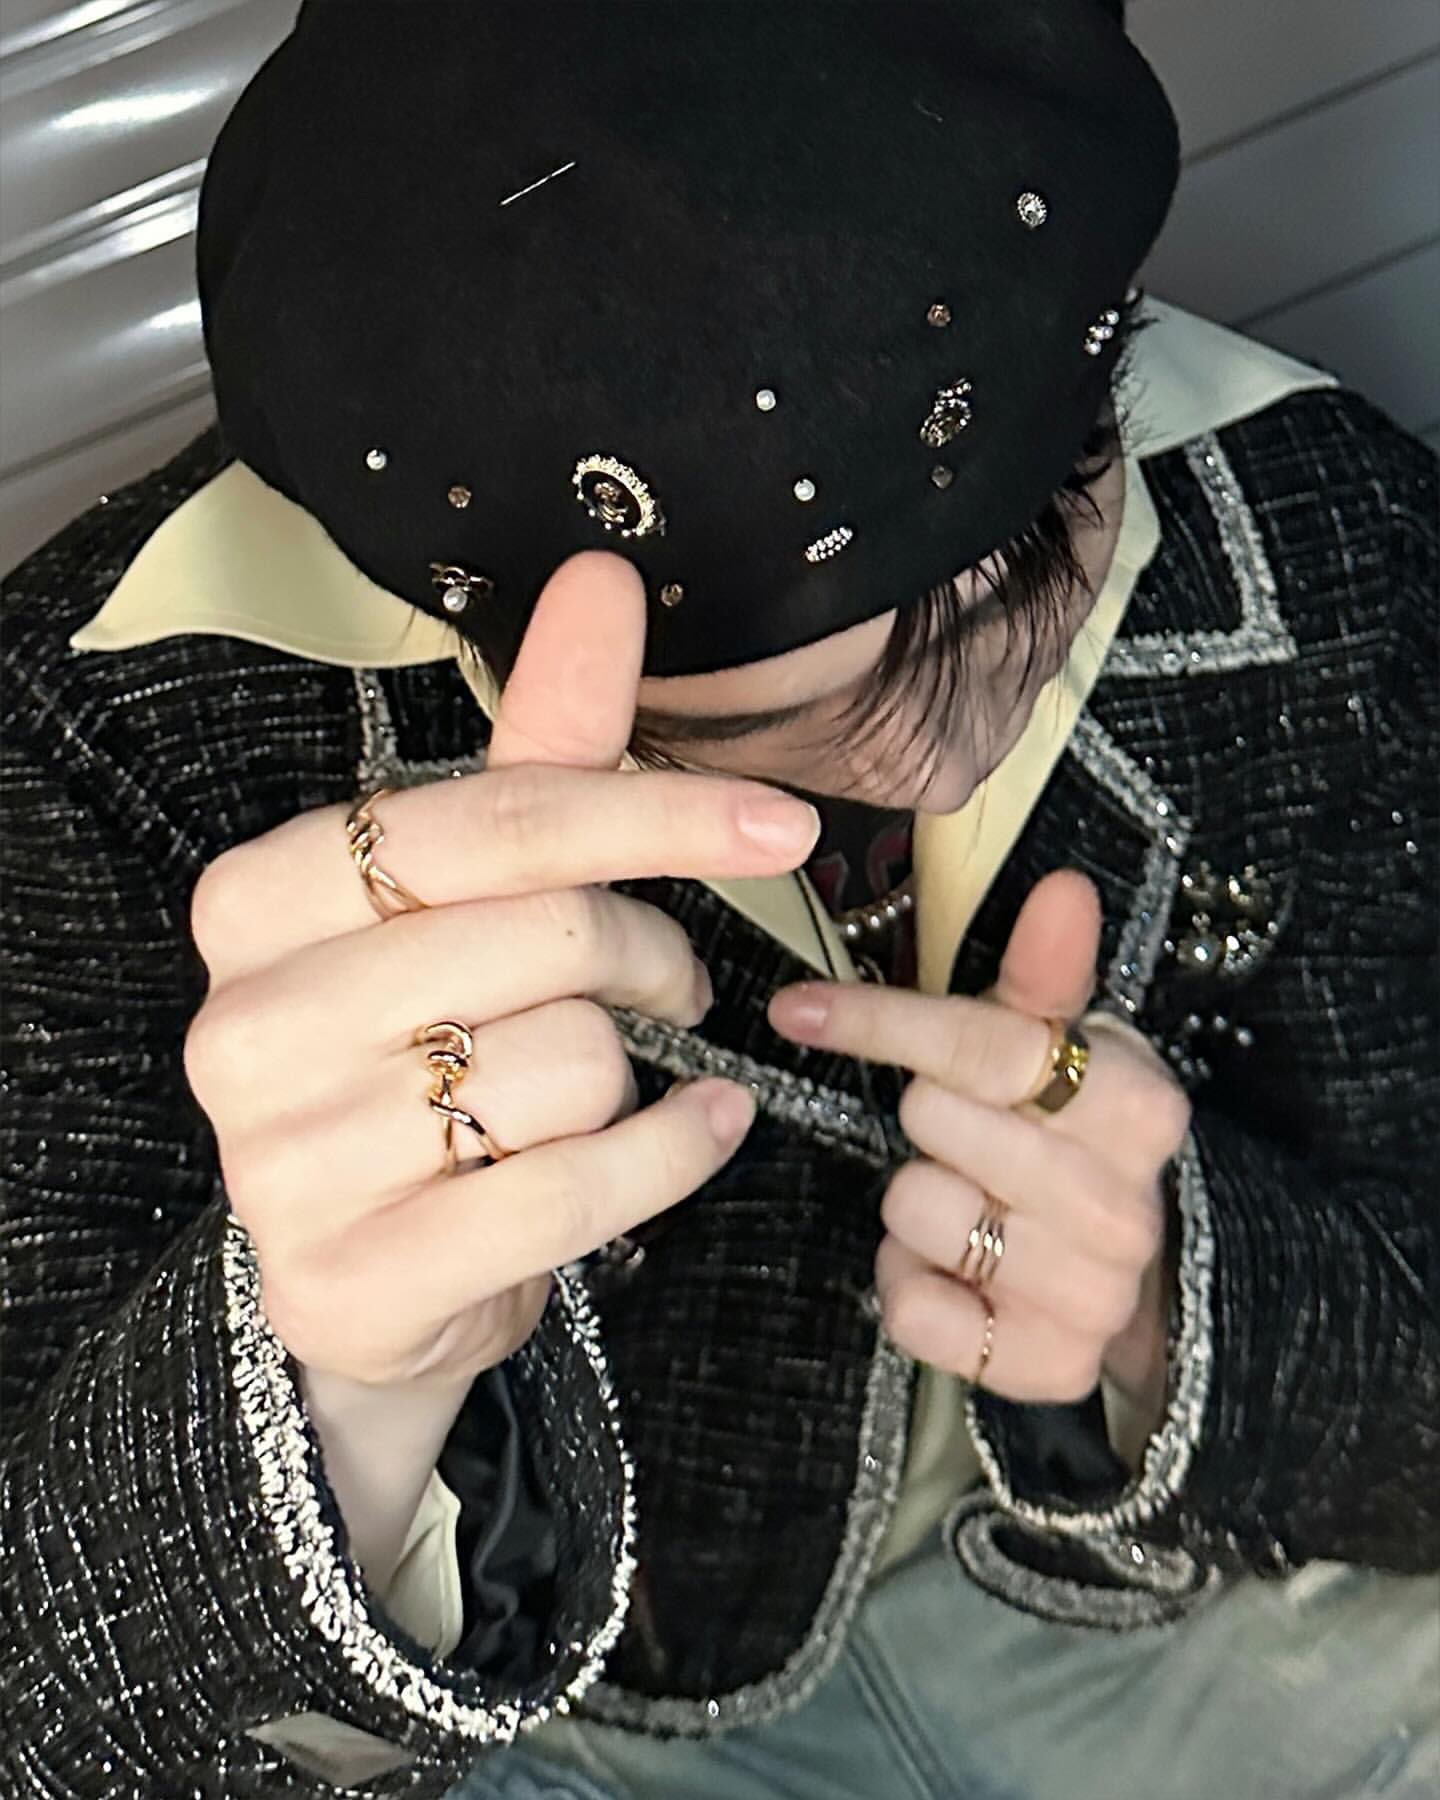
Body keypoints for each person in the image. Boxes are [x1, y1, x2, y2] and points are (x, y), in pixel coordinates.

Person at [2, 4, 1436, 1796]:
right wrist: (336, 1421)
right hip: (541, 1734)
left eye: (1031, 550)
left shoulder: (1322, 524)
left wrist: (1170, 1308)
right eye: (773, 726)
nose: (952, 761)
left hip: (1164, 1610)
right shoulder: (107, 744)